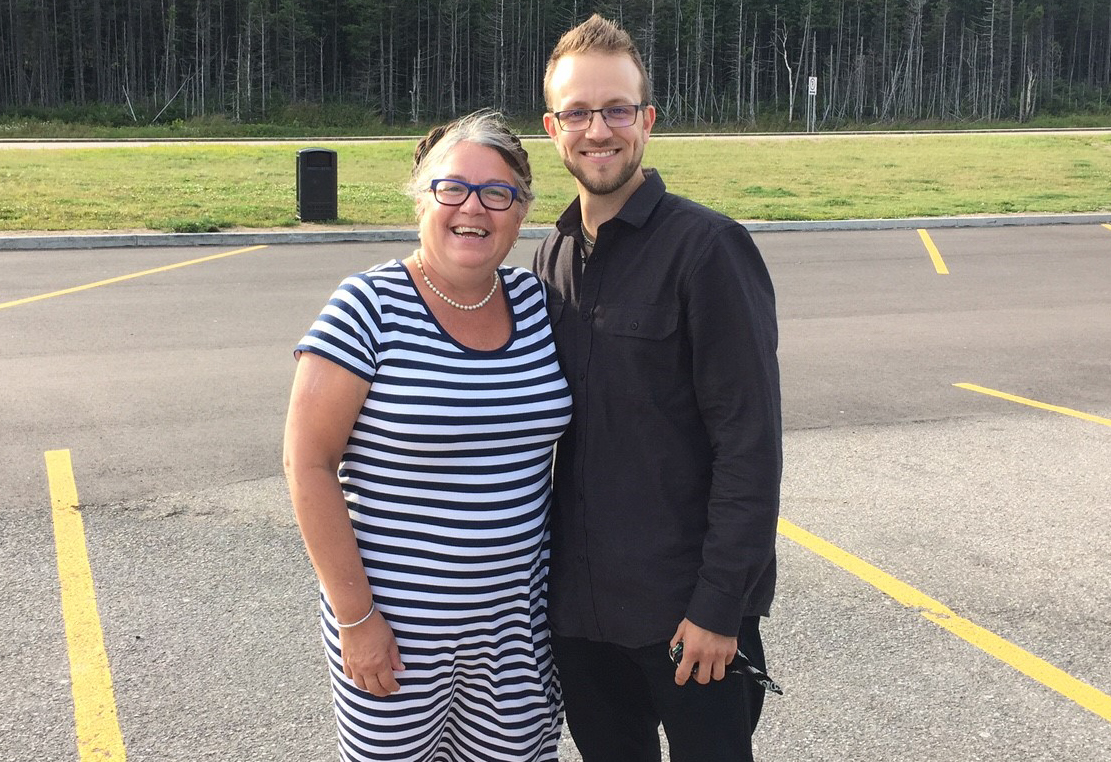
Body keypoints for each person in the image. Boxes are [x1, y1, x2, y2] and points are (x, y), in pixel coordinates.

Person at [283, 110, 572, 762]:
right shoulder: (367, 308)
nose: (473, 207)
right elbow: (307, 464)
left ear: (521, 211)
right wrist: (357, 621)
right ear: (423, 198)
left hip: (517, 634)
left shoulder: (535, 303)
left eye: (497, 193)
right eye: (452, 188)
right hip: (394, 634)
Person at [532, 15, 783, 762]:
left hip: (684, 619)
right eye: (577, 112)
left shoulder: (706, 249)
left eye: (615, 110)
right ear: (552, 128)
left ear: (645, 120)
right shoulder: (550, 259)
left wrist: (719, 608)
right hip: (579, 618)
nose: (597, 130)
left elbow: (749, 445)